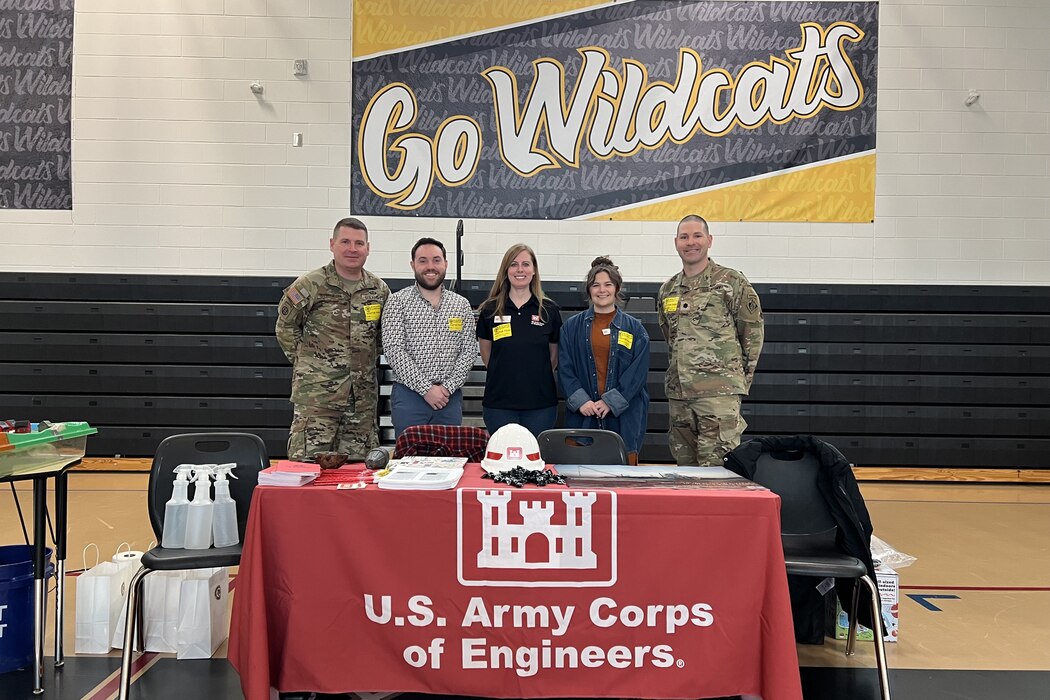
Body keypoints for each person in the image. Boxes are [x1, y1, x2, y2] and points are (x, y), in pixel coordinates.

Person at [275, 217, 390, 460]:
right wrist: (309, 365)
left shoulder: (378, 290)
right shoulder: (311, 284)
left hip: (361, 401)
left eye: (359, 243)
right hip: (318, 399)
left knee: (358, 474)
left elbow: (382, 336)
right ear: (332, 244)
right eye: (345, 241)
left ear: (368, 248)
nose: (352, 249)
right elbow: (285, 327)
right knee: (308, 469)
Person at [658, 215, 764, 466]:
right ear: (676, 243)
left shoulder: (730, 282)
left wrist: (736, 380)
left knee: (718, 475)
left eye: (697, 236)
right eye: (684, 237)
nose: (690, 242)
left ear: (709, 240)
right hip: (680, 397)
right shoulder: (668, 289)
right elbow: (670, 337)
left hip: (718, 397)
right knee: (685, 475)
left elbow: (752, 333)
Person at [381, 237, 477, 437]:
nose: (430, 266)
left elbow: (468, 351)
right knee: (408, 462)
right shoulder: (397, 302)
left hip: (448, 400)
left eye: (436, 260)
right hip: (410, 398)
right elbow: (394, 350)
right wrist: (426, 389)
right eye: (423, 260)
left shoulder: (461, 305)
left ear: (445, 264)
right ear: (412, 265)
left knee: (449, 459)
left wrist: (447, 389)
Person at [559, 257, 651, 464]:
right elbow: (565, 369)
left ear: (617, 288)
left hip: (623, 418)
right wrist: (581, 401)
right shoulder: (570, 328)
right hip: (584, 416)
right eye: (596, 285)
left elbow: (637, 376)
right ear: (589, 290)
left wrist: (610, 402)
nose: (602, 290)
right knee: (581, 478)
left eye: (608, 284)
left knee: (623, 479)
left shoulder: (635, 330)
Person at [476, 244, 562, 436]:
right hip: (499, 405)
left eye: (525, 264)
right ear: (506, 271)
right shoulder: (490, 310)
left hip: (540, 405)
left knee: (536, 460)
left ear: (534, 271)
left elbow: (553, 357)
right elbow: (487, 355)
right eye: (514, 264)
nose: (520, 269)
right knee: (503, 462)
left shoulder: (549, 310)